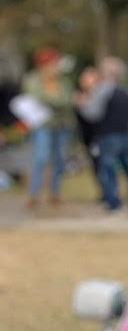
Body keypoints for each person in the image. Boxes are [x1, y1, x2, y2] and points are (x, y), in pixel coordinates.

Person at [80, 58, 128, 213]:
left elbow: (93, 114)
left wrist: (82, 105)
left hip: (108, 136)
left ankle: (113, 203)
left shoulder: (102, 91)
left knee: (108, 170)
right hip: (126, 136)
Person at [21, 47, 76, 209]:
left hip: (62, 125)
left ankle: (55, 193)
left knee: (59, 159)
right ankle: (34, 194)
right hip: (42, 126)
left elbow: (67, 100)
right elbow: (37, 97)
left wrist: (52, 100)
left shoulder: (64, 82)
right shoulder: (32, 79)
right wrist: (56, 100)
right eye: (53, 63)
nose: (56, 66)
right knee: (41, 158)